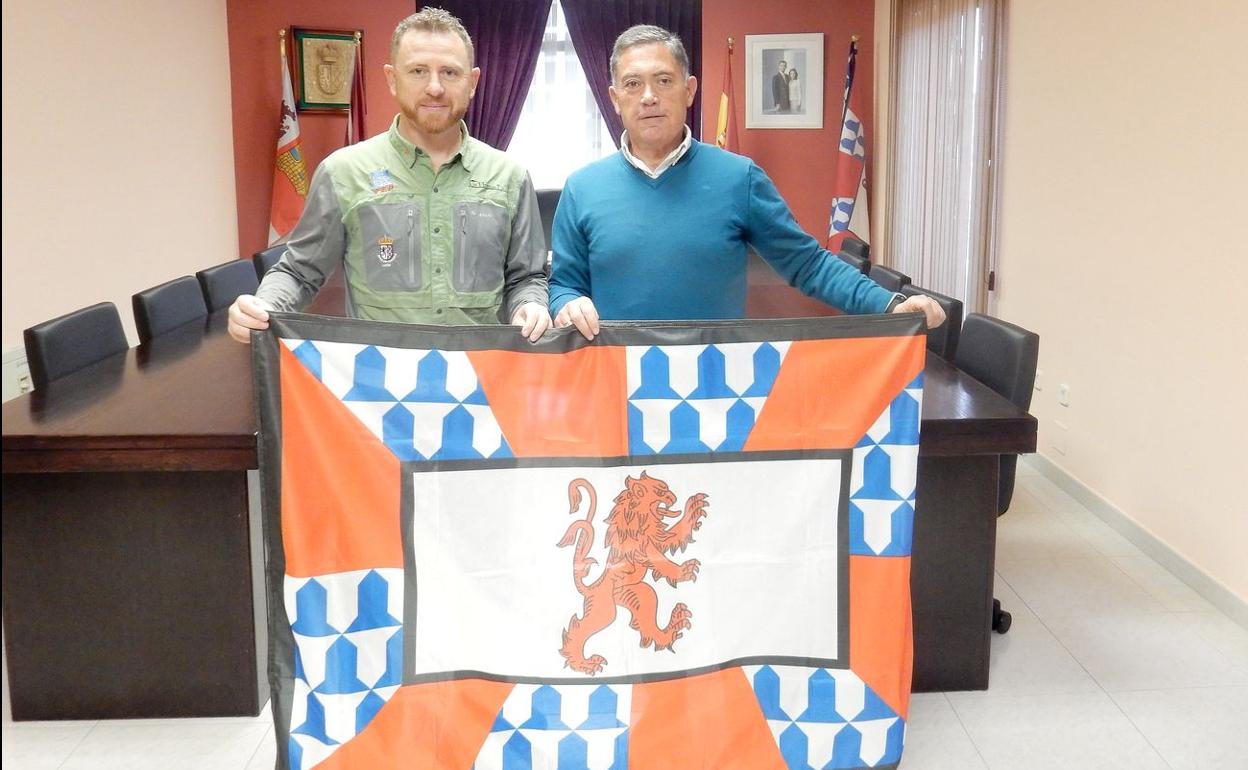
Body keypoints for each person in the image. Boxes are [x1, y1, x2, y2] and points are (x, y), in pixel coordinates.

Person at [549, 25, 944, 340]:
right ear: (616, 99)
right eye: (633, 84)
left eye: (664, 81)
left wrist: (888, 304)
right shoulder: (582, 188)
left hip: (718, 382)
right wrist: (565, 303)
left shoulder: (739, 177)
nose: (649, 96)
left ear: (689, 91)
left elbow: (807, 263)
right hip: (613, 378)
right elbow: (564, 284)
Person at [228, 8, 551, 344]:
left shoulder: (510, 176)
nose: (435, 87)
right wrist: (263, 306)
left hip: (482, 381)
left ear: (472, 83)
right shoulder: (343, 173)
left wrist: (529, 304)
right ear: (392, 79)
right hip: (380, 384)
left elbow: (526, 277)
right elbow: (299, 272)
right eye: (418, 71)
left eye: (450, 72)